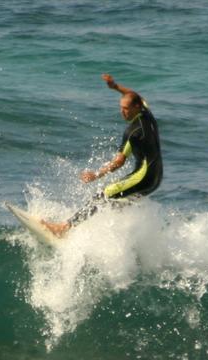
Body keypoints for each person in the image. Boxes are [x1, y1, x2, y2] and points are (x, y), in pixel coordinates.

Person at [43, 74, 162, 237]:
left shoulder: (133, 131)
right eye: (121, 107)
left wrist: (96, 175)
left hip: (144, 177)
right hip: (156, 178)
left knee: (104, 195)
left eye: (126, 109)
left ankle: (64, 228)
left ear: (136, 107)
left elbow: (120, 161)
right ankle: (121, 239)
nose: (123, 112)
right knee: (117, 203)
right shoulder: (148, 115)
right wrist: (116, 87)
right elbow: (134, 94)